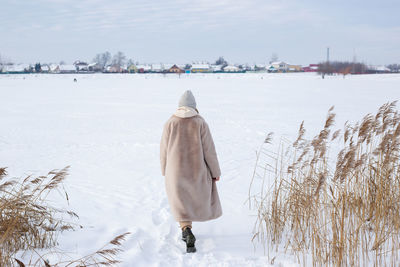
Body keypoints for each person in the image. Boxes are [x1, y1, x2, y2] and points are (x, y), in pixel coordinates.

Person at [160, 90, 222, 253]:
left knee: (180, 201)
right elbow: (209, 150)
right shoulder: (200, 122)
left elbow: (164, 150)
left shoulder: (170, 122)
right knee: (194, 198)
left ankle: (186, 229)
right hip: (197, 170)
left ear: (179, 106)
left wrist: (164, 169)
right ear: (194, 106)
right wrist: (215, 171)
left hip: (175, 171)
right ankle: (187, 230)